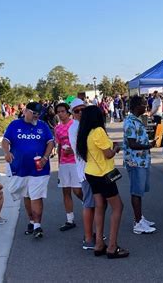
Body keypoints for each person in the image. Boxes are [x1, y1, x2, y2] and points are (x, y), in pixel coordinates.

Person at [77, 106, 129, 259]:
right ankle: (112, 246)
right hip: (104, 173)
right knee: (118, 207)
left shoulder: (86, 133)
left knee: (100, 206)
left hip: (92, 173)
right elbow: (107, 154)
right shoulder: (99, 131)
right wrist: (116, 148)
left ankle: (99, 243)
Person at [2, 101, 55, 239]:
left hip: (39, 169)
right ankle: (31, 221)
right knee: (26, 195)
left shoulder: (43, 126)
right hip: (19, 169)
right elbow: (5, 141)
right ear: (26, 111)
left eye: (38, 114)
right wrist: (6, 152)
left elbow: (50, 142)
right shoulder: (15, 125)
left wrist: (45, 157)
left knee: (36, 196)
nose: (36, 117)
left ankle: (38, 226)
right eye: (34, 114)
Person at [123, 95, 156, 234]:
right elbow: (132, 143)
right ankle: (137, 223)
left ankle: (140, 218)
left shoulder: (137, 120)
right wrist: (148, 145)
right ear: (137, 107)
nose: (146, 106)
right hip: (135, 162)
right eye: (144, 104)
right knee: (136, 192)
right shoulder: (131, 122)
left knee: (140, 191)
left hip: (141, 161)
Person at [67, 98, 97, 249]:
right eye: (77, 111)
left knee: (95, 204)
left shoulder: (83, 125)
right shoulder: (75, 128)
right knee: (89, 204)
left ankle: (92, 235)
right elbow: (84, 150)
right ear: (72, 114)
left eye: (83, 109)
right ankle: (88, 238)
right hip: (87, 171)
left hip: (92, 170)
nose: (81, 113)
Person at [54, 102, 83, 231]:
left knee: (77, 190)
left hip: (76, 162)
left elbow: (81, 143)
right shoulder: (57, 128)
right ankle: (69, 219)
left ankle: (89, 205)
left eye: (62, 111)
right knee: (65, 191)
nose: (60, 114)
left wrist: (73, 151)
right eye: (58, 112)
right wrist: (59, 163)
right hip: (64, 164)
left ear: (68, 112)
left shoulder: (75, 125)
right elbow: (59, 145)